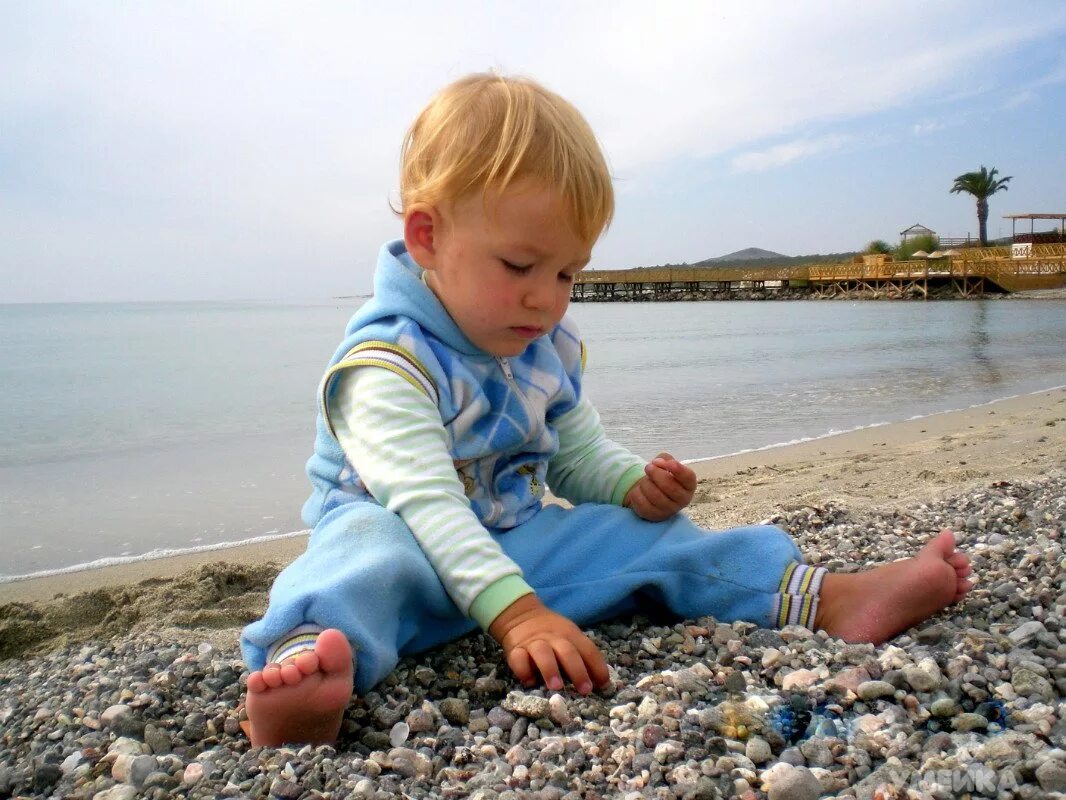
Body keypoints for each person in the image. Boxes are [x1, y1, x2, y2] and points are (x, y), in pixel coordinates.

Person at [239, 73, 972, 747]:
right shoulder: (384, 366)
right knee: (353, 555)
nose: (547, 296)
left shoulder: (543, 345)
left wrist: (630, 486)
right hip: (409, 555)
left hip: (516, 551)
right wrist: (520, 617)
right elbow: (426, 502)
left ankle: (823, 599)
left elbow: (575, 453)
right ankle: (305, 676)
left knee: (648, 540)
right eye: (521, 266)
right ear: (429, 237)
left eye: (567, 272)